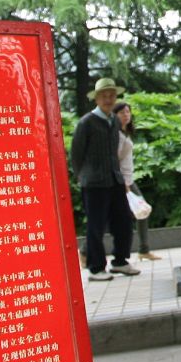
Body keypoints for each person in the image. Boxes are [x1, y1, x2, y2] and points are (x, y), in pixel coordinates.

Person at [70, 77, 140, 282]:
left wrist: (122, 178)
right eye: (104, 96)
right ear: (97, 99)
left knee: (123, 221)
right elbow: (76, 154)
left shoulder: (114, 121)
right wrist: (82, 176)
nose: (108, 99)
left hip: (115, 180)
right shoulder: (86, 123)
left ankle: (120, 261)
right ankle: (96, 268)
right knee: (96, 226)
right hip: (94, 183)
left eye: (112, 95)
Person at [113, 100, 157, 259]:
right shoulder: (116, 135)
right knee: (109, 217)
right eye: (121, 112)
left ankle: (144, 250)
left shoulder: (125, 132)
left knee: (142, 211)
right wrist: (123, 183)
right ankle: (85, 251)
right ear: (114, 115)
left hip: (129, 180)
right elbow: (114, 160)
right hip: (121, 182)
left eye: (127, 112)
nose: (126, 115)